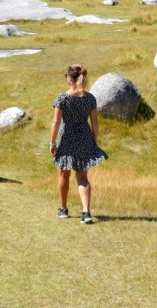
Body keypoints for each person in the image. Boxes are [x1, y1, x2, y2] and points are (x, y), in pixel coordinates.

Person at [49, 64, 108, 224]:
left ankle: (63, 209)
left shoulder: (62, 98)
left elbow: (56, 122)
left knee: (64, 174)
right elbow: (95, 122)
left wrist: (52, 142)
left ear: (69, 78)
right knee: (82, 177)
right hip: (84, 137)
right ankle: (86, 213)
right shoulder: (90, 98)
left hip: (66, 137)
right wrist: (93, 140)